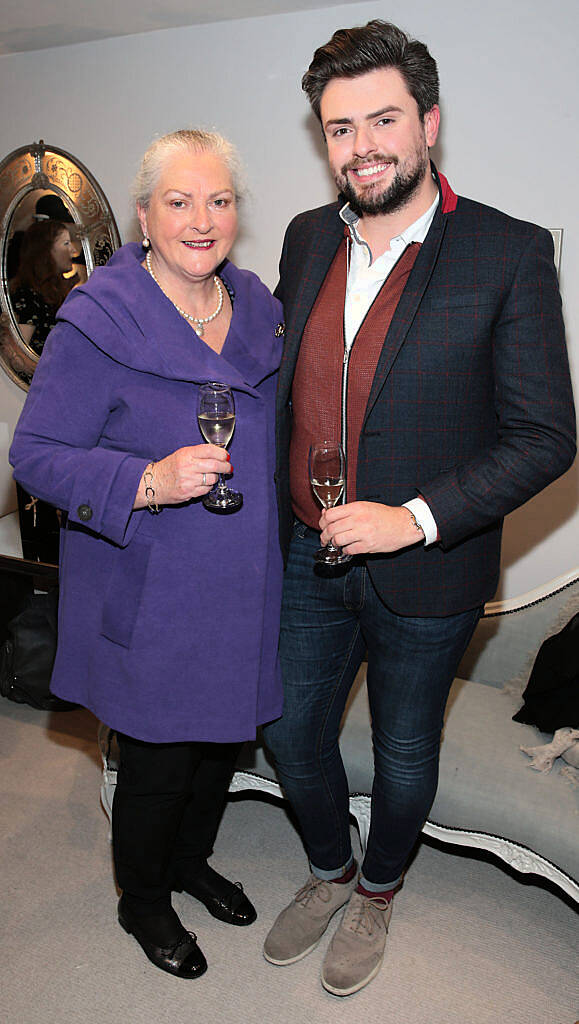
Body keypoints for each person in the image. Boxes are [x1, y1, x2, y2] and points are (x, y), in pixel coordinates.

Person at [262, 20, 576, 997]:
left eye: (383, 118)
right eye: (339, 126)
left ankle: (379, 888)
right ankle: (329, 865)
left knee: (405, 752)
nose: (361, 145)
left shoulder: (509, 251)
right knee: (287, 729)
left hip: (430, 573)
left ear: (428, 122)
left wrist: (416, 517)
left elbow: (547, 435)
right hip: (306, 556)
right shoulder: (307, 235)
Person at [10, 129, 284, 980]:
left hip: (245, 581)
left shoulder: (261, 306)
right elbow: (37, 454)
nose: (201, 221)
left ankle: (188, 862)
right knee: (161, 762)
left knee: (217, 753)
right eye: (179, 201)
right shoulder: (100, 317)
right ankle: (143, 900)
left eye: (219, 200)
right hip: (153, 582)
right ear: (142, 215)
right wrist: (148, 481)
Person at [10, 219, 75, 354]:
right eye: (66, 243)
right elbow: (17, 356)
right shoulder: (27, 295)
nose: (73, 250)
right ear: (46, 250)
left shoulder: (57, 291)